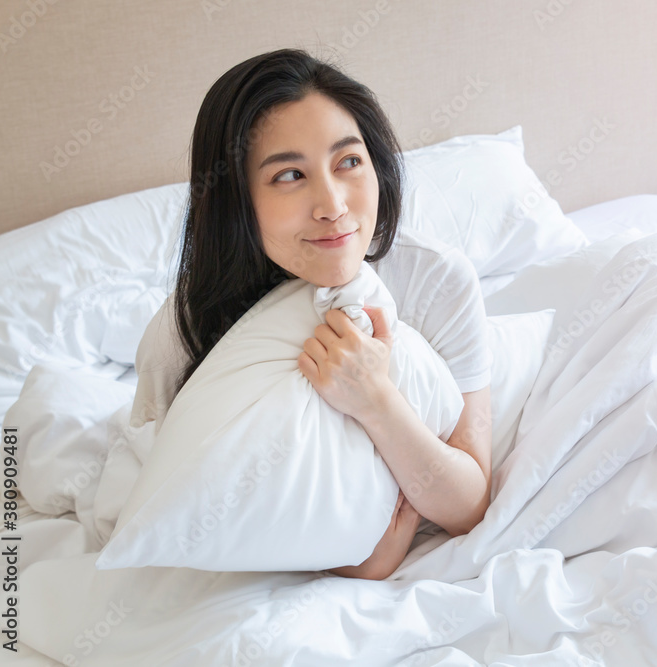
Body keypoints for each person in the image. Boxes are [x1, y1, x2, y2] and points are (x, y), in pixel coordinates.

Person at [129, 49, 493, 580]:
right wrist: (358, 564)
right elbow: (195, 509)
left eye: (348, 162)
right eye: (289, 175)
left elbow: (469, 507)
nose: (332, 205)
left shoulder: (438, 281)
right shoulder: (185, 327)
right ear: (236, 200)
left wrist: (376, 401)